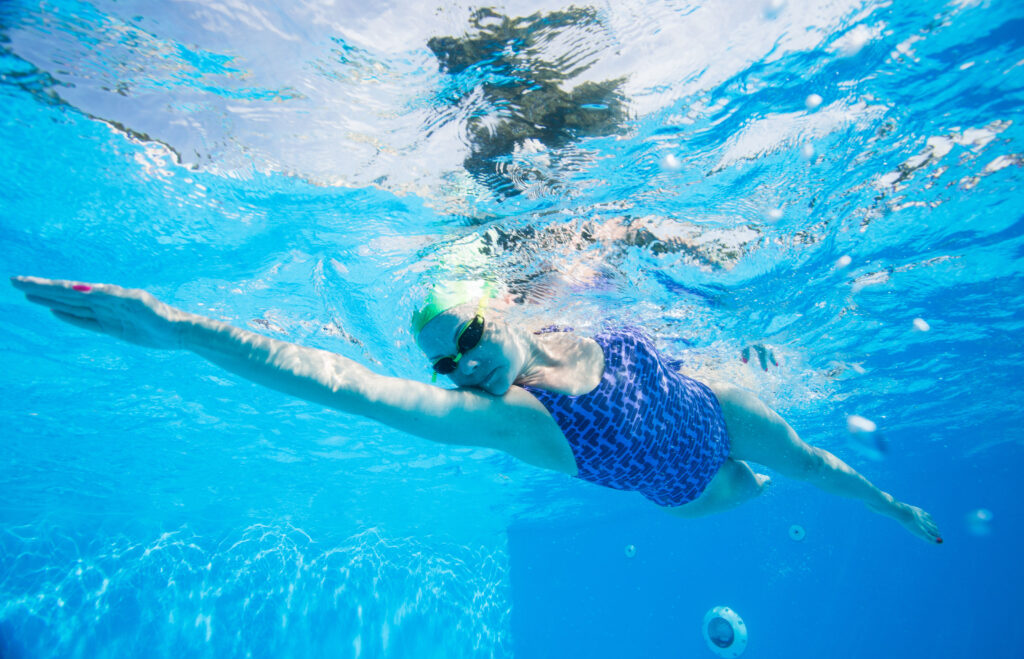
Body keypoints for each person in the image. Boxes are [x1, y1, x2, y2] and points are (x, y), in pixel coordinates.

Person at [10, 275, 943, 544]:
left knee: (815, 466)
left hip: (717, 407)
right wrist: (183, 330)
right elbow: (343, 385)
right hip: (683, 490)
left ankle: (896, 509)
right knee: (756, 493)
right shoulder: (512, 419)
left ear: (505, 310)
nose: (460, 368)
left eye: (467, 341)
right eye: (446, 362)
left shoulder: (572, 305)